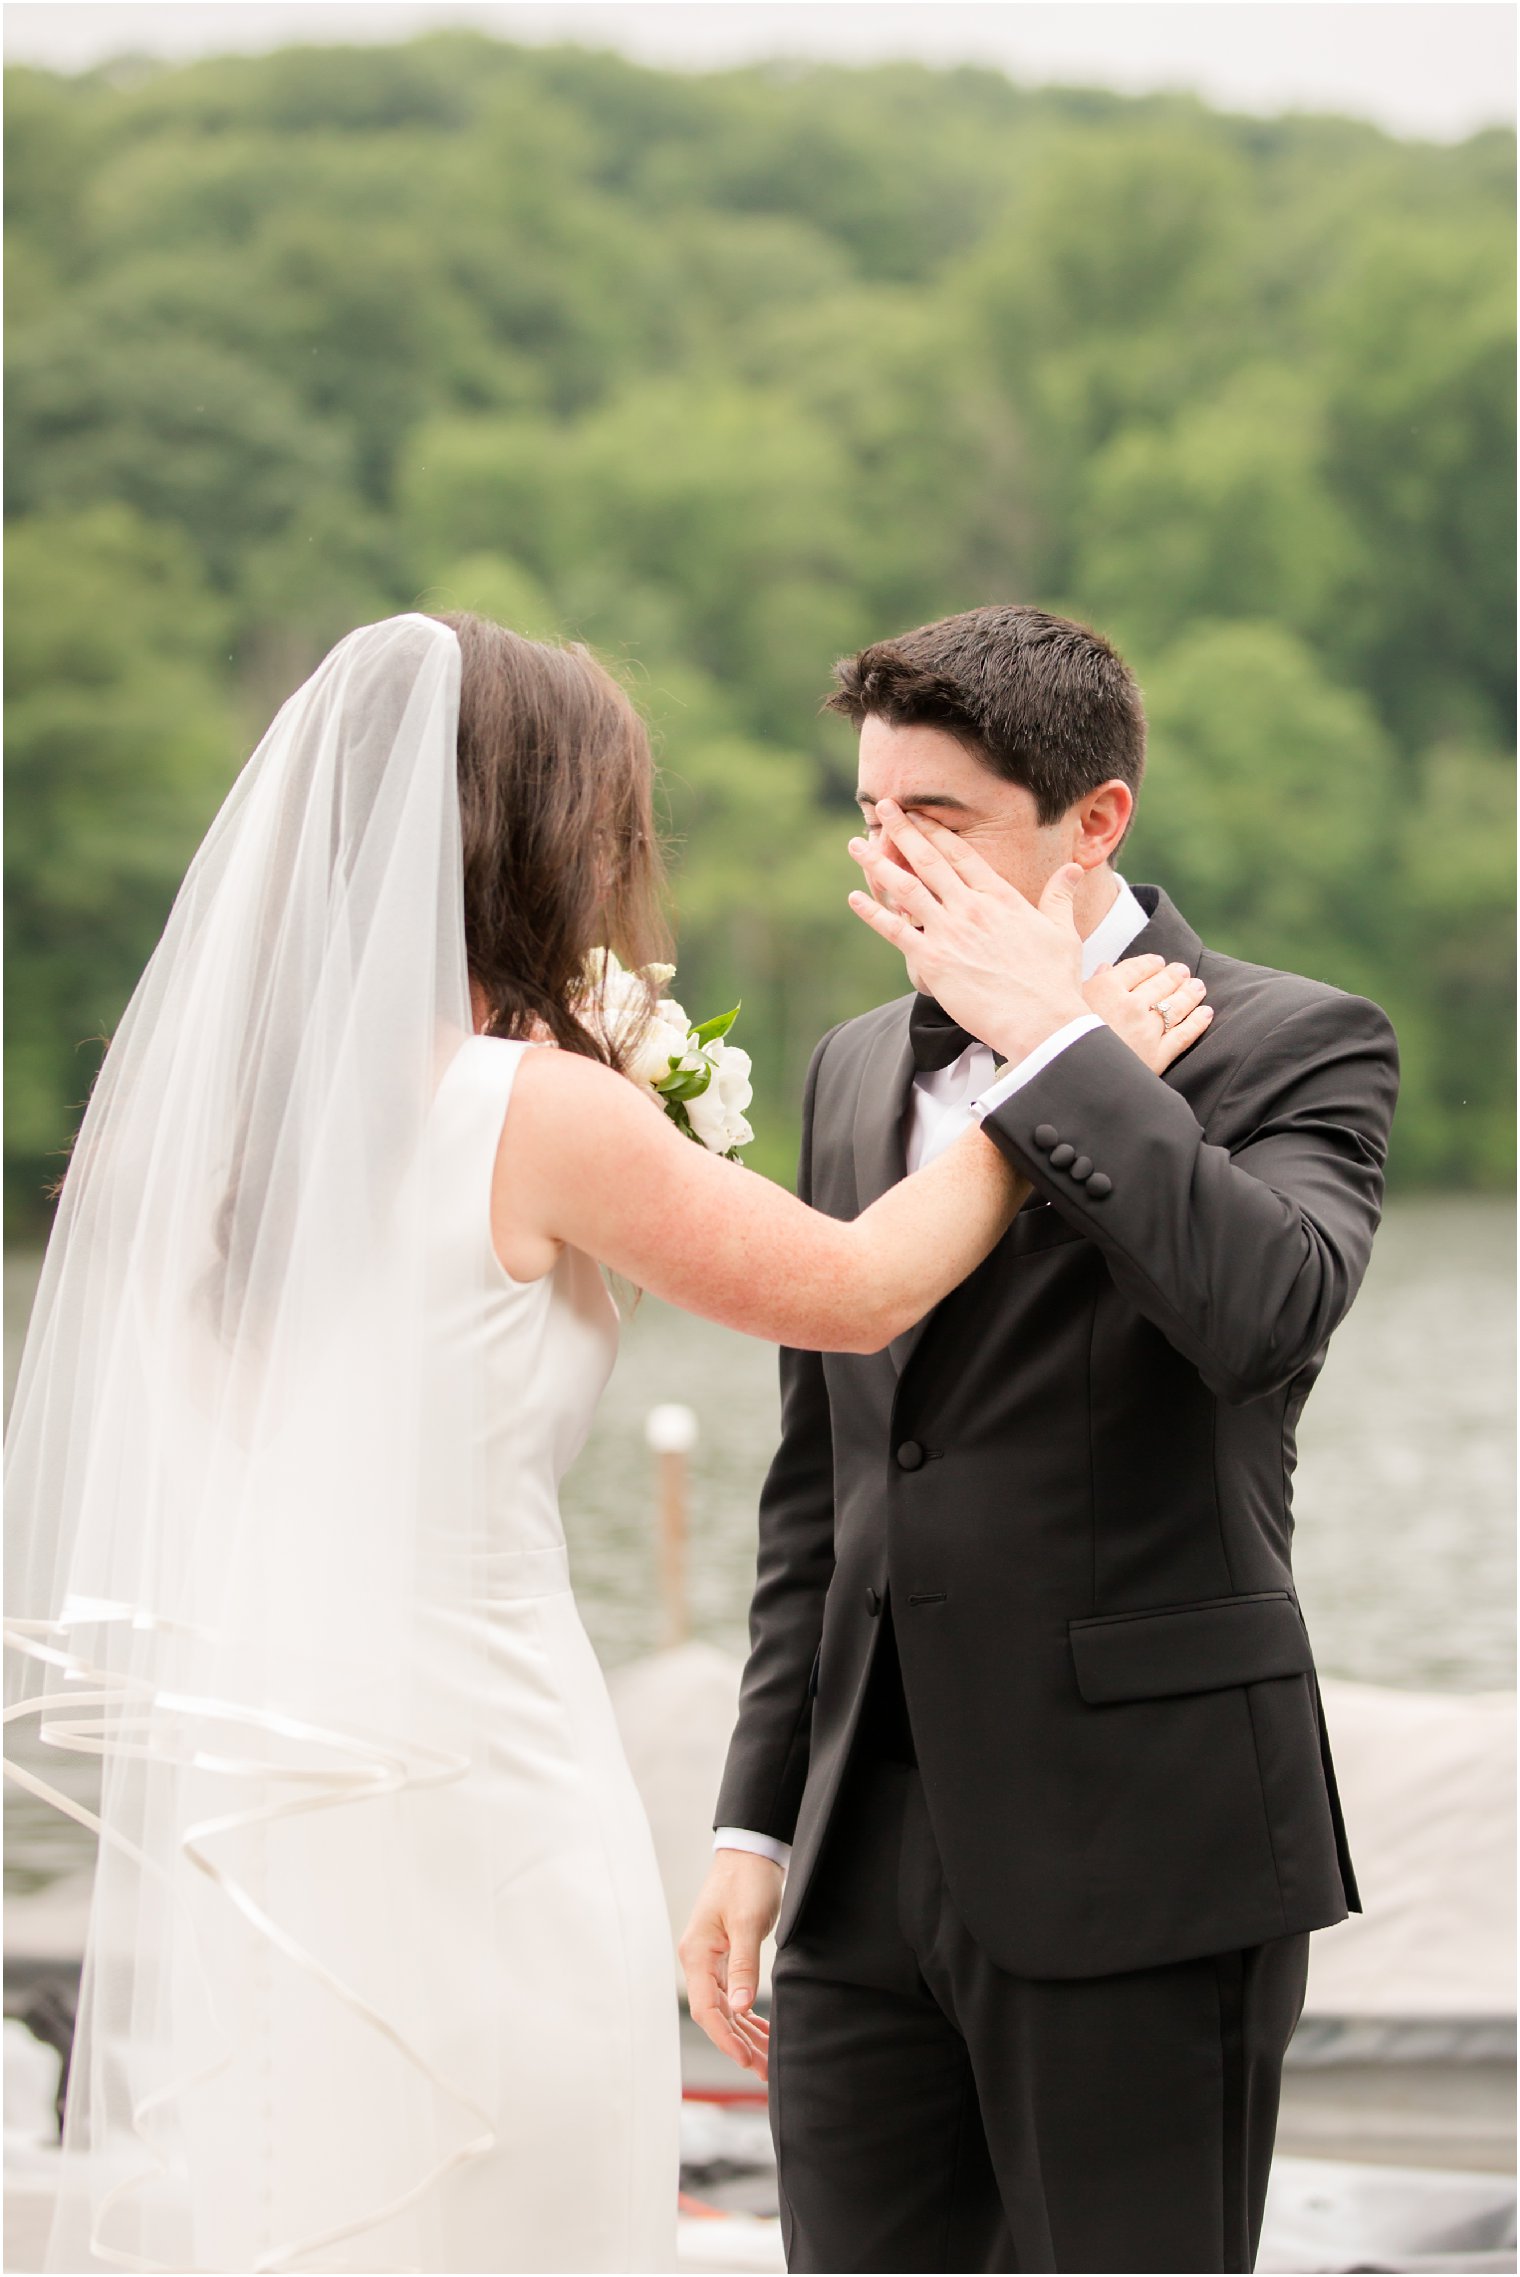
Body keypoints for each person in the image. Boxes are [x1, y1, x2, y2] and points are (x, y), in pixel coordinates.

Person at [3, 611, 1206, 2276]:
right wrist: (1073, 1080)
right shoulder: (532, 1111)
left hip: (284, 1776)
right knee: (535, 2199)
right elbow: (854, 1291)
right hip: (483, 1767)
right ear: (541, 832)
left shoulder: (214, 1148)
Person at [683, 604, 1400, 2275]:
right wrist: (754, 1823)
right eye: (873, 815)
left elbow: (1266, 1312)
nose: (893, 861)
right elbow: (826, 1486)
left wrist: (1059, 1048)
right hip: (863, 1870)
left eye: (939, 819)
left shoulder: (1298, 1040)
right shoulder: (852, 1066)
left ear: (1097, 823)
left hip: (1142, 1847)